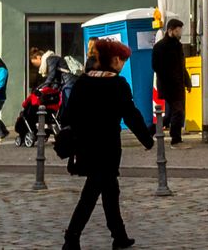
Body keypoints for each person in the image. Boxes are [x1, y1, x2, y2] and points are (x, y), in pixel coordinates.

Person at [56, 37, 153, 250]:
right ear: (115, 59)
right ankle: (71, 238)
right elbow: (131, 115)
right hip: (107, 148)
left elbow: (68, 115)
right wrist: (147, 139)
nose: (123, 64)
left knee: (110, 191)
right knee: (91, 194)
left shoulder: (83, 82)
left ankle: (119, 236)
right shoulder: (116, 84)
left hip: (85, 146)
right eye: (122, 60)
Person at [151, 17, 191, 146]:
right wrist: (168, 80)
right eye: (178, 30)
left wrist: (187, 81)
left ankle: (149, 131)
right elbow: (156, 66)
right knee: (177, 112)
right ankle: (176, 139)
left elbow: (181, 66)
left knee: (170, 115)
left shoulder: (178, 46)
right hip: (168, 85)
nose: (180, 33)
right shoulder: (160, 47)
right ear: (171, 31)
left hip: (178, 85)